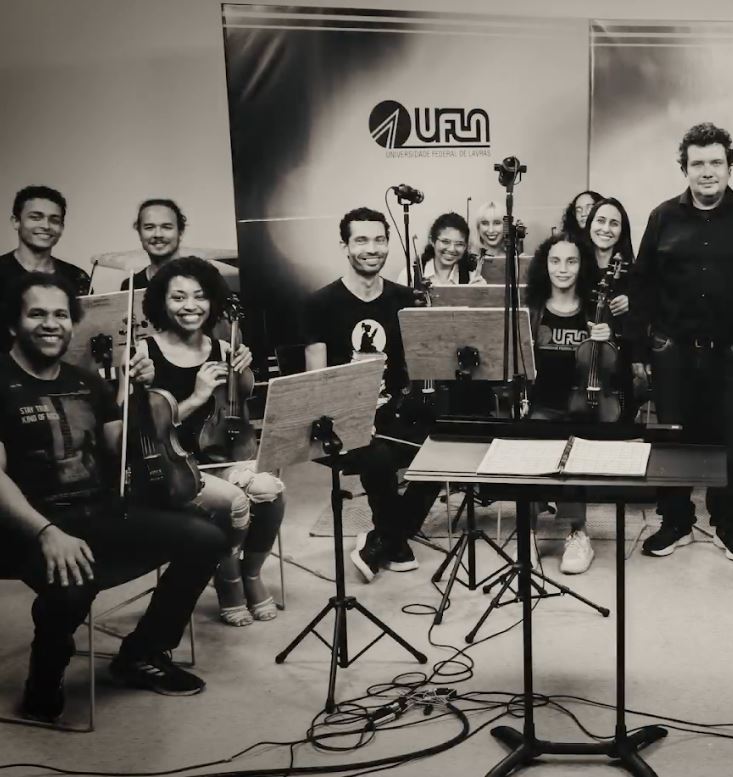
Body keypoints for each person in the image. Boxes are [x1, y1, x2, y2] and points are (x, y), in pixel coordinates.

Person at [0, 272, 230, 721]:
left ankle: (141, 653)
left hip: (98, 513)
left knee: (207, 537)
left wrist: (134, 390)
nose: (51, 324)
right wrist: (47, 533)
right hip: (27, 525)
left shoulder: (86, 382)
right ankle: (43, 679)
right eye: (37, 314)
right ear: (13, 323)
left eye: (61, 314)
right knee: (75, 582)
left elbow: (120, 447)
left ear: (73, 323)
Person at [629, 122, 733, 561]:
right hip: (673, 352)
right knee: (672, 442)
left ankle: (729, 524)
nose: (707, 171)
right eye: (697, 163)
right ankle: (675, 522)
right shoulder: (662, 217)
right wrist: (640, 351)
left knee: (730, 445)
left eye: (716, 162)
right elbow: (641, 288)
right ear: (684, 168)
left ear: (729, 167)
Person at [136, 257, 286, 626]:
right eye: (178, 297)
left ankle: (252, 574)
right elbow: (145, 432)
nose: (190, 306)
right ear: (161, 302)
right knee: (235, 503)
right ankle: (228, 579)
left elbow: (240, 399)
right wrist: (197, 396)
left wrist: (244, 369)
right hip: (175, 469)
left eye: (200, 296)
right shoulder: (145, 353)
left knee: (270, 491)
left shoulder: (223, 347)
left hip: (221, 456)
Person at [302, 207, 441, 582]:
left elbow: (420, 364)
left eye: (379, 239)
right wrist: (347, 417)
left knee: (444, 449)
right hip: (343, 417)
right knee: (378, 457)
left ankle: (384, 536)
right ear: (345, 246)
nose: (372, 248)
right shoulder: (320, 303)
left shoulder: (404, 298)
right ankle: (395, 540)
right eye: (361, 240)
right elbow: (315, 381)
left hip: (394, 411)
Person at [524, 231, 607, 574]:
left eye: (571, 261)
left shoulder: (594, 311)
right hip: (541, 404)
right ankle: (528, 534)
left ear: (581, 265)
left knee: (576, 443)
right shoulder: (532, 312)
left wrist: (607, 339)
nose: (562, 268)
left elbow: (611, 369)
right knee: (531, 442)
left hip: (581, 406)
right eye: (555, 260)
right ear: (544, 266)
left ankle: (578, 534)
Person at [582, 197, 639, 412]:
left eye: (614, 223)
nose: (606, 229)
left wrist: (634, 303)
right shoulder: (575, 268)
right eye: (600, 221)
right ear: (590, 225)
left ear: (622, 231)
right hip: (579, 367)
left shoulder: (633, 275)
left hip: (617, 372)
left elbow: (643, 325)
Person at [0, 186, 90, 297]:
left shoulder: (77, 278)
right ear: (16, 222)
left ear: (62, 227)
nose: (46, 226)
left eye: (54, 220)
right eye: (35, 217)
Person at [396, 211, 479, 287]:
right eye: (445, 242)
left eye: (459, 244)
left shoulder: (472, 278)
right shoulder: (409, 275)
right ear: (432, 240)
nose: (452, 249)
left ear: (466, 246)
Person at [121, 199, 187, 291]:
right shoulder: (131, 286)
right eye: (149, 227)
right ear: (140, 234)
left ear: (180, 233)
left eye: (166, 227)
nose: (158, 234)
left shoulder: (203, 277)